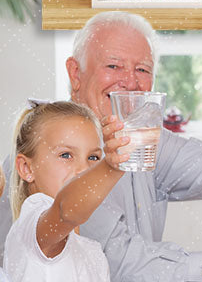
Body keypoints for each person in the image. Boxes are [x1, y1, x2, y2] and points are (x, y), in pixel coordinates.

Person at [0, 11, 202, 282]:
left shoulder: (143, 138)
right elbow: (124, 265)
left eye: (143, 70)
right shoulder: (48, 153)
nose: (130, 82)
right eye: (113, 65)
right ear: (75, 74)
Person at [3, 100, 129, 281]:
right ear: (26, 168)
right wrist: (112, 167)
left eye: (93, 157)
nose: (84, 169)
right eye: (66, 155)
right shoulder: (31, 230)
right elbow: (66, 211)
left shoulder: (93, 253)